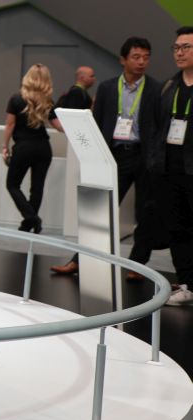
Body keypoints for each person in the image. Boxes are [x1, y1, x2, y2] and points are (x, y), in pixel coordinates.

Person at [53, 37, 160, 275]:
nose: (142, 62)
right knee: (100, 210)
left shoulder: (155, 88)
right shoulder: (107, 88)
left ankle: (137, 264)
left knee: (146, 213)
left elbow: (159, 125)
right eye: (136, 57)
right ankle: (79, 260)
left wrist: (154, 158)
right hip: (115, 156)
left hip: (144, 157)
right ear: (123, 60)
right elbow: (98, 123)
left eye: (146, 57)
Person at [154, 27, 193, 305]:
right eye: (176, 48)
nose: (179, 53)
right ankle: (187, 284)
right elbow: (157, 127)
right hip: (171, 169)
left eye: (186, 47)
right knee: (177, 229)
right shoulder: (169, 86)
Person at [3, 64, 64, 233]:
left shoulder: (16, 99)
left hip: (23, 147)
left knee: (12, 185)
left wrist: (5, 146)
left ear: (28, 77)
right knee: (37, 188)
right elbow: (59, 126)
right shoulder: (47, 102)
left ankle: (32, 219)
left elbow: (10, 125)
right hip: (43, 148)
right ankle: (28, 224)